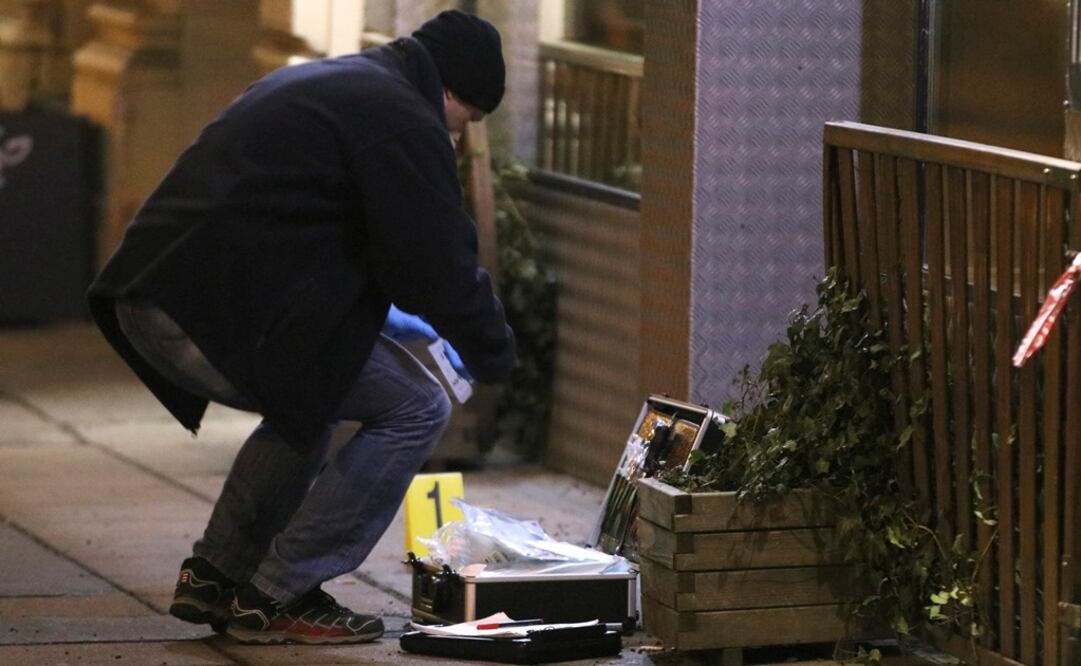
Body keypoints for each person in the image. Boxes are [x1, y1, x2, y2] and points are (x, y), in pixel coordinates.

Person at [85, 10, 516, 645]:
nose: (458, 137)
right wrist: (495, 354)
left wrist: (405, 320)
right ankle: (282, 591)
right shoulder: (403, 117)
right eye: (468, 121)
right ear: (452, 92)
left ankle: (217, 574)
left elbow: (364, 243)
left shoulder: (344, 84)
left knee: (313, 393)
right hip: (211, 307)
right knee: (415, 407)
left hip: (163, 291)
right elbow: (437, 263)